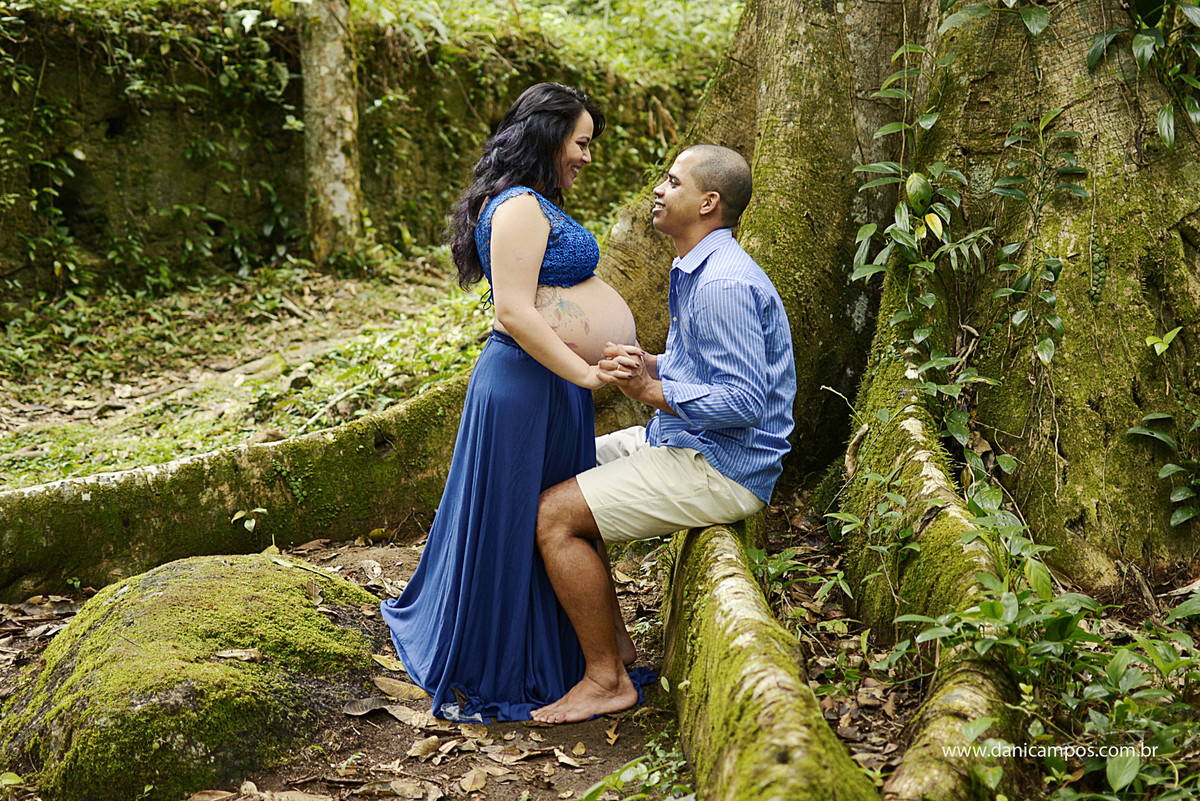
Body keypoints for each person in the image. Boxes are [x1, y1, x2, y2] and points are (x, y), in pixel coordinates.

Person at [379, 83, 641, 722]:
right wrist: (583, 375)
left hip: (547, 386)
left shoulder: (534, 204)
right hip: (526, 386)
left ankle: (586, 650)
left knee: (552, 516)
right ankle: (516, 658)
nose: (585, 156)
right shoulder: (519, 206)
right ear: (549, 137)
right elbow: (514, 312)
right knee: (520, 515)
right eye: (580, 143)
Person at [531, 144, 797, 724]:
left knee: (553, 514)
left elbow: (745, 402)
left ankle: (606, 681)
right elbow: (707, 371)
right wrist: (650, 366)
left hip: (723, 466)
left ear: (707, 202)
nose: (658, 189)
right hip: (682, 442)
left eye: (672, 182)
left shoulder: (724, 283)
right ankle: (618, 649)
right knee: (555, 468)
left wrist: (654, 393)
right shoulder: (696, 265)